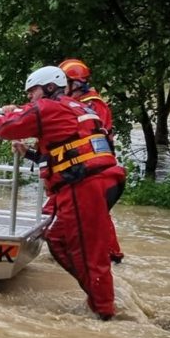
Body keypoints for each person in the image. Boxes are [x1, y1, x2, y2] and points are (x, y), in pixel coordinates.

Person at [0, 66, 125, 320]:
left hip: (84, 185)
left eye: (32, 91)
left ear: (49, 88)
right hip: (90, 182)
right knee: (56, 237)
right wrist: (30, 152)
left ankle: (104, 313)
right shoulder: (73, 106)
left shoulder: (49, 108)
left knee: (89, 252)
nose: (29, 97)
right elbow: (63, 146)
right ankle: (98, 295)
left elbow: (5, 127)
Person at [59, 57, 125, 262]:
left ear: (76, 84)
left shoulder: (94, 106)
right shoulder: (77, 103)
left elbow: (89, 135)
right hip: (81, 168)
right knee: (88, 216)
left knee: (96, 215)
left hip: (94, 169)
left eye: (65, 84)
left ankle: (110, 255)